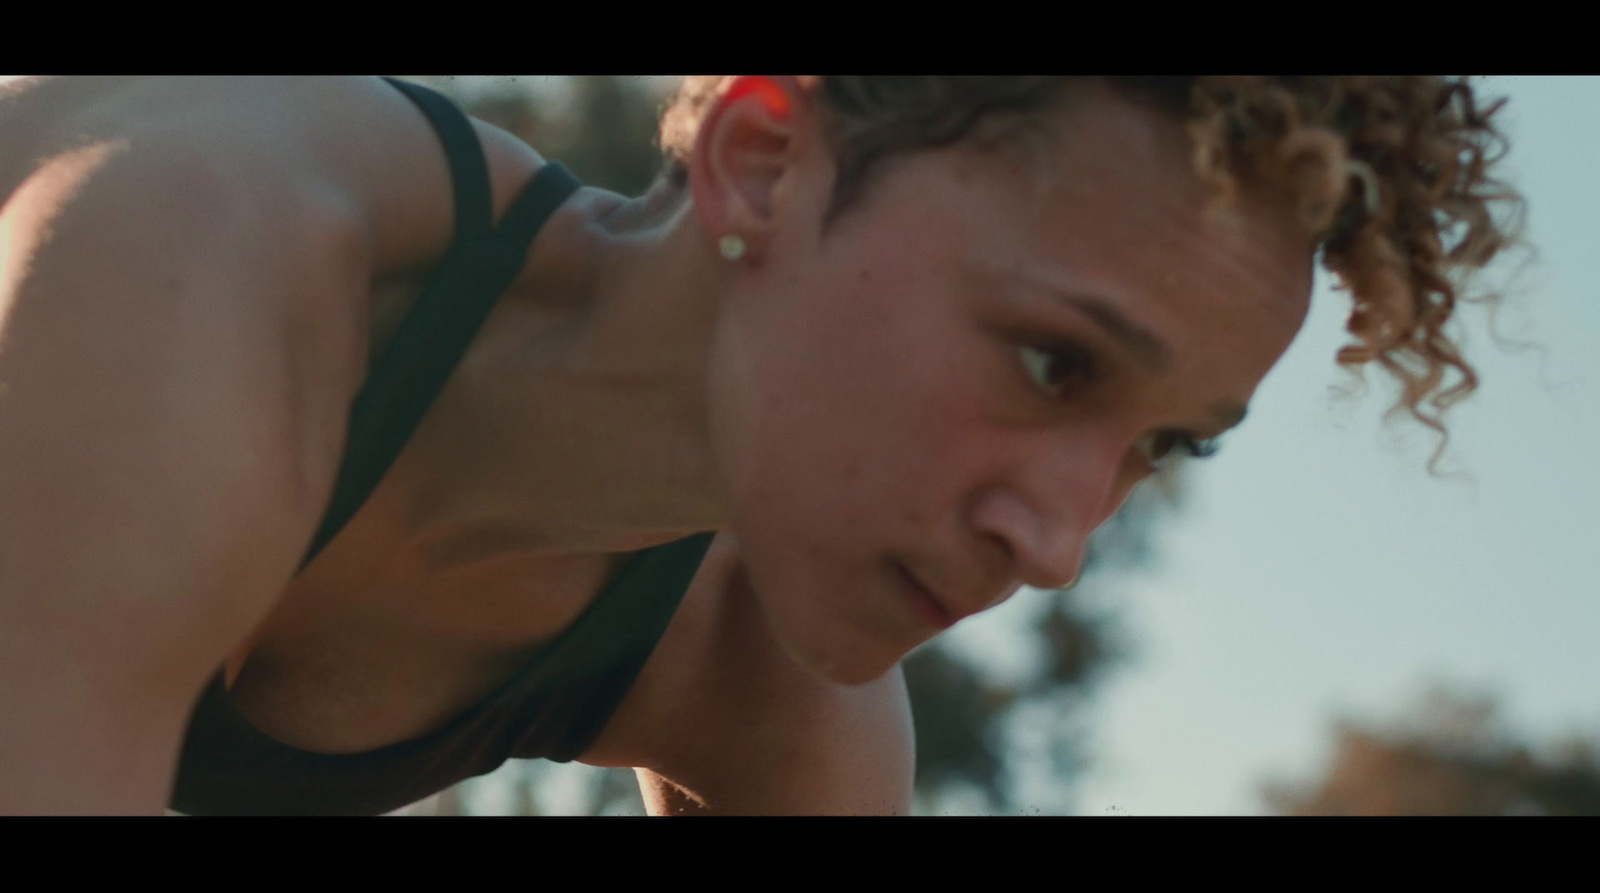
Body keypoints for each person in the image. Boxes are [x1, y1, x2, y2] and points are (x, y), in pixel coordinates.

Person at [0, 75, 1518, 815]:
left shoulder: (764, 689)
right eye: (1055, 363)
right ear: (765, 157)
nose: (1058, 544)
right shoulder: (206, 256)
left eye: (1162, 445)